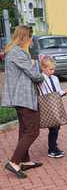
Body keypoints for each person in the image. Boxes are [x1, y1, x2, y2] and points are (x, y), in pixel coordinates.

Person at [2, 25, 44, 179]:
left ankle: (24, 161)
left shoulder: (14, 52)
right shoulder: (18, 53)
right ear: (25, 37)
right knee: (33, 131)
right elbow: (35, 75)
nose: (32, 40)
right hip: (24, 97)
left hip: (20, 97)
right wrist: (39, 70)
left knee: (25, 130)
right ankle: (14, 162)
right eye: (31, 37)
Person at [39, 56, 67, 158]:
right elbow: (42, 93)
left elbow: (58, 92)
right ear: (43, 68)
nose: (53, 71)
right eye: (50, 69)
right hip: (47, 106)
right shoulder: (40, 78)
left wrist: (64, 92)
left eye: (54, 69)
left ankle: (54, 146)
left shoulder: (55, 78)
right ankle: (52, 150)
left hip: (56, 105)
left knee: (57, 126)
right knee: (53, 128)